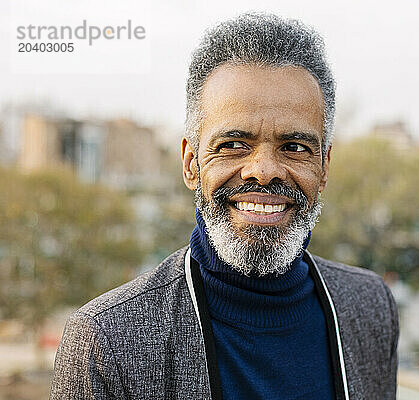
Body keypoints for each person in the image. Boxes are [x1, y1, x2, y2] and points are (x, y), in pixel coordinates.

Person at [51, 13, 398, 400]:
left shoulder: (370, 307)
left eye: (295, 147)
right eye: (233, 144)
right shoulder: (107, 341)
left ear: (324, 167)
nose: (264, 172)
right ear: (190, 163)